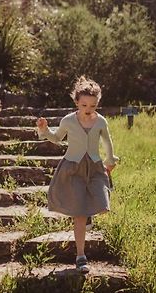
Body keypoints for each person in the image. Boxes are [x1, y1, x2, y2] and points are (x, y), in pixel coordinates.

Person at [36, 75, 119, 274]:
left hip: (96, 168)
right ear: (76, 102)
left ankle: (88, 212)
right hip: (73, 168)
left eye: (93, 105)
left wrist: (110, 160)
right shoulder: (68, 120)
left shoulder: (100, 122)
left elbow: (107, 142)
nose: (88, 109)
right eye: (84, 105)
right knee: (79, 215)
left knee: (103, 204)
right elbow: (56, 138)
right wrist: (44, 129)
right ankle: (81, 256)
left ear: (98, 104)